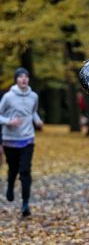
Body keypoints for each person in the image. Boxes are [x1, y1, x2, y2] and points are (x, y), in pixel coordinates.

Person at [0, 67, 43, 217]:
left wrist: (38, 121)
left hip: (27, 138)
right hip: (10, 140)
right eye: (21, 77)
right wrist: (8, 121)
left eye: (26, 76)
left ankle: (25, 204)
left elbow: (32, 112)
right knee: (13, 169)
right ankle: (10, 184)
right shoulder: (8, 97)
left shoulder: (34, 96)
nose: (24, 79)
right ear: (16, 79)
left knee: (25, 171)